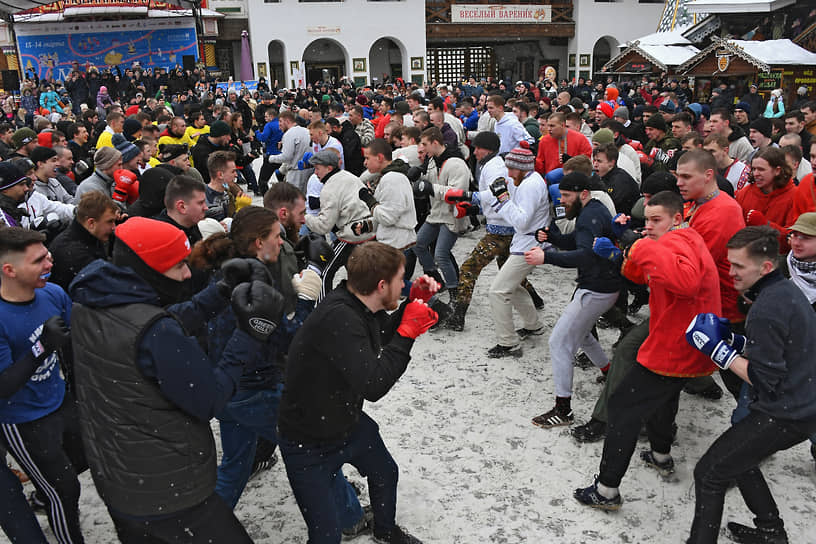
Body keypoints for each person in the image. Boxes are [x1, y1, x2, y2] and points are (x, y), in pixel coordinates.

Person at [69, 217, 282, 543]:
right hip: (169, 489)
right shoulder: (157, 332)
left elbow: (152, 324)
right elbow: (211, 398)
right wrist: (250, 334)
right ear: (147, 269)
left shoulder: (92, 303)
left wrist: (220, 291)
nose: (187, 274)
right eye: (177, 266)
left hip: (120, 475)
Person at [278, 241, 438, 544]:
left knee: (385, 473)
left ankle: (385, 530)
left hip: (345, 419)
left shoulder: (358, 304)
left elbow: (375, 338)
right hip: (306, 440)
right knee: (325, 535)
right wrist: (407, 333)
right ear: (381, 285)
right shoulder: (338, 316)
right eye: (401, 281)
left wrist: (409, 304)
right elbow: (374, 384)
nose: (404, 284)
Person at [573, 190, 720, 510]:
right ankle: (660, 455)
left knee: (624, 408)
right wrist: (622, 252)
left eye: (657, 220)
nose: (650, 226)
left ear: (677, 219)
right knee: (665, 397)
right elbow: (645, 274)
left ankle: (607, 489)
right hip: (686, 342)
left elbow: (684, 282)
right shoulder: (683, 238)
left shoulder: (677, 242)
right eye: (647, 220)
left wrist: (639, 245)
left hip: (674, 346)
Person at [685, 226, 816, 543]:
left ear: (766, 267)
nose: (731, 273)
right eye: (730, 264)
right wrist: (736, 340)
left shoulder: (767, 308)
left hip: (787, 411)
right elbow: (785, 344)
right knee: (740, 459)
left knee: (709, 474)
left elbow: (763, 379)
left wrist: (720, 352)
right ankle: (772, 532)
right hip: (803, 399)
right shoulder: (782, 289)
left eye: (739, 266)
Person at [0, 227, 86, 544]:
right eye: (38, 261)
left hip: (59, 399)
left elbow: (77, 338)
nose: (49, 264)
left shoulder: (52, 293)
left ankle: (43, 491)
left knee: (86, 459)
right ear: (9, 270)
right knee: (65, 491)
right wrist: (41, 349)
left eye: (46, 255)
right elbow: (3, 386)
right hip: (22, 419)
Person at [524, 172, 621, 427]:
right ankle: (609, 372)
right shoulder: (594, 209)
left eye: (567, 196)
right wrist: (554, 238)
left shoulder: (589, 216)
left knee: (558, 342)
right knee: (583, 333)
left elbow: (585, 256)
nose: (562, 201)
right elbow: (580, 242)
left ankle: (563, 409)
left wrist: (547, 257)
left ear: (584, 194)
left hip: (596, 288)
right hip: (601, 285)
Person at [485, 145, 550, 357]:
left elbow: (521, 222)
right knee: (512, 287)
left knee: (498, 291)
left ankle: (508, 343)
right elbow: (507, 201)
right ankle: (533, 325)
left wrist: (502, 200)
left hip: (528, 245)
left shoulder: (530, 186)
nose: (508, 173)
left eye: (511, 169)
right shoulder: (526, 180)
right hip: (525, 243)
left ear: (521, 168)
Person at [303, 149, 374, 300]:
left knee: (325, 271)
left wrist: (305, 218)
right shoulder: (349, 176)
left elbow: (324, 226)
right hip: (370, 229)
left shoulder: (329, 188)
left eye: (317, 168)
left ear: (329, 168)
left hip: (351, 235)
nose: (315, 173)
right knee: (358, 275)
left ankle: (324, 308)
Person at [411, 127, 472, 294]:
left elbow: (458, 192)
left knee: (441, 254)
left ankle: (455, 291)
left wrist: (431, 188)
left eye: (424, 144)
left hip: (452, 215)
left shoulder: (456, 163)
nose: (421, 148)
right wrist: (418, 178)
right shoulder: (431, 162)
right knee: (419, 244)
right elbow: (428, 183)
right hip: (436, 213)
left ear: (435, 143)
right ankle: (435, 277)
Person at [49, 191, 119, 290]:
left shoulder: (90, 236)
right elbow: (106, 286)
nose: (113, 227)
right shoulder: (73, 253)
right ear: (91, 223)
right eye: (110, 222)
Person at [356, 138, 417, 250]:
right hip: (394, 241)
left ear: (379, 157)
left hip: (397, 244)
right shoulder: (389, 177)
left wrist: (370, 201)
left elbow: (388, 218)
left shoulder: (392, 179)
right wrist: (367, 226)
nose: (365, 163)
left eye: (367, 158)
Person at [155, 174, 208, 247]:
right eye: (201, 203)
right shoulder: (165, 242)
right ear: (182, 207)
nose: (206, 208)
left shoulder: (192, 224)